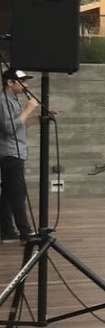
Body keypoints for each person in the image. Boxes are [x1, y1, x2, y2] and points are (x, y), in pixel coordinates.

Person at [0, 69, 41, 243]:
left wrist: (38, 117)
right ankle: (26, 233)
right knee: (18, 191)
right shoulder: (3, 101)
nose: (26, 85)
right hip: (9, 152)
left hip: (17, 151)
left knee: (9, 193)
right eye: (22, 81)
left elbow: (20, 125)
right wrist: (28, 109)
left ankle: (7, 231)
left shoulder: (13, 101)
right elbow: (9, 129)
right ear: (10, 82)